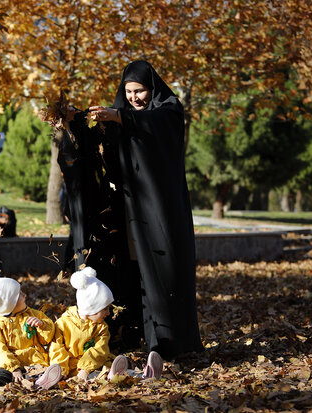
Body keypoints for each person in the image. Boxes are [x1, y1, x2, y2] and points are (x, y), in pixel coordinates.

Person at [57, 60, 203, 364]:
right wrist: (73, 122)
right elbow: (98, 141)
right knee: (128, 269)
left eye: (140, 90)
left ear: (152, 89)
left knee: (161, 275)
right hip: (127, 215)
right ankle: (127, 336)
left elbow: (157, 126)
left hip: (160, 215)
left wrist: (123, 117)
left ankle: (166, 344)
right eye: (129, 91)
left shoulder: (168, 111)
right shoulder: (120, 114)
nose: (135, 97)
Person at [49, 266, 162, 382]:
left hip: (95, 363)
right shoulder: (63, 323)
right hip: (73, 368)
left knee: (112, 366)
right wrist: (61, 371)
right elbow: (56, 348)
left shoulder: (101, 327)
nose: (108, 313)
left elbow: (100, 350)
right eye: (105, 309)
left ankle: (145, 374)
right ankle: (118, 375)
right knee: (100, 374)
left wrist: (86, 368)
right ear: (91, 309)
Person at [0, 274, 62, 389]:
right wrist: (14, 368)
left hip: (33, 360)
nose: (25, 295)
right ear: (9, 304)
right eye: (20, 294)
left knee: (37, 372)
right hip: (9, 364)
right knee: (3, 374)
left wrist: (42, 325)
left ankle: (42, 383)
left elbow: (47, 339)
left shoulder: (32, 314)